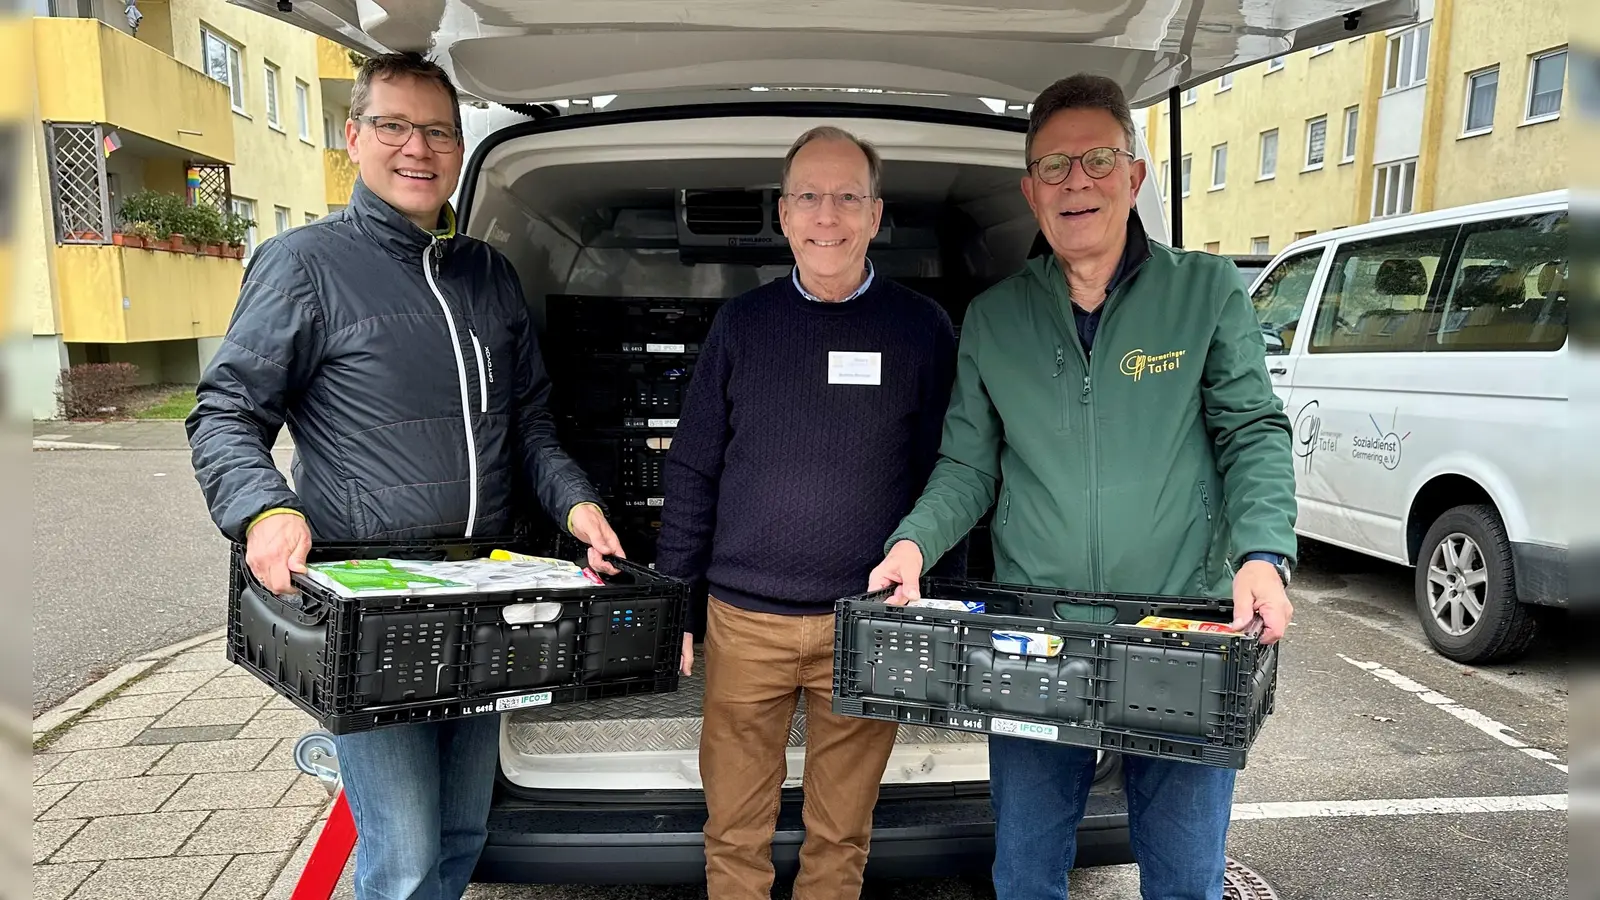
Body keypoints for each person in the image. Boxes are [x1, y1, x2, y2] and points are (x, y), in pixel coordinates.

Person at [186, 52, 625, 900]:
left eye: (437, 131)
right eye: (393, 125)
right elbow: (225, 413)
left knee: (462, 834)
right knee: (403, 853)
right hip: (370, 607)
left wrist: (577, 505)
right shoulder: (303, 264)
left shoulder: (488, 275)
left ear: (459, 148)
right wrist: (264, 509)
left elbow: (530, 425)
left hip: (486, 596)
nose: (415, 147)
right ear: (354, 136)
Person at [867, 74, 1298, 900]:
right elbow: (968, 465)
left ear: (1133, 176)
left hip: (1185, 631)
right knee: (1026, 872)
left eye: (1097, 159)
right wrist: (913, 543)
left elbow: (1252, 433)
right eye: (1054, 168)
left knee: (1183, 877)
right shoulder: (994, 319)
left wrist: (1262, 554)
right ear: (1030, 191)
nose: (1077, 183)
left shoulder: (1206, 293)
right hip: (1040, 635)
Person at [654, 125, 962, 899]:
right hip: (742, 620)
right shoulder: (743, 325)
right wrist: (676, 602)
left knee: (842, 837)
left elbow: (951, 472)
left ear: (876, 213)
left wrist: (940, 602)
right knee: (732, 833)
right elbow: (693, 466)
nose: (829, 215)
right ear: (784, 215)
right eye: (810, 197)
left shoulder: (922, 329)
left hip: (868, 620)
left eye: (848, 196)